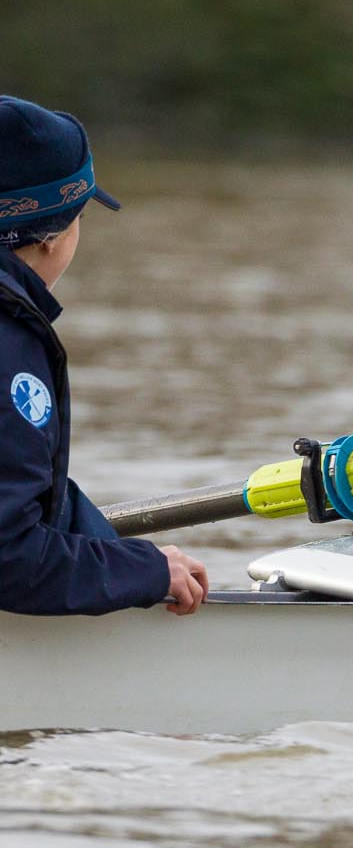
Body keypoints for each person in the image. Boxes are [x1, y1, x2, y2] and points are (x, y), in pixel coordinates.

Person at [0, 96, 207, 615]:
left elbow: (24, 491)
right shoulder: (9, 339)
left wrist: (125, 557)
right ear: (52, 237)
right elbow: (8, 556)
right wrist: (147, 572)